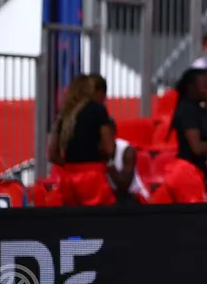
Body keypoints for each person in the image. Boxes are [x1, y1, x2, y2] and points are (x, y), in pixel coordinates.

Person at [150, 68, 207, 204]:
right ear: (191, 88)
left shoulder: (201, 109)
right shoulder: (187, 110)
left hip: (196, 171)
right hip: (186, 171)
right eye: (205, 87)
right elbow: (197, 148)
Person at [46, 74, 117, 206]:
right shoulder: (97, 110)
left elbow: (52, 154)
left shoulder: (64, 115)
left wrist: (69, 164)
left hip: (68, 179)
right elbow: (109, 148)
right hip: (92, 177)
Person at [108, 137, 150, 204]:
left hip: (133, 197)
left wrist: (108, 161)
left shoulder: (127, 150)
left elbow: (124, 185)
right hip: (111, 196)